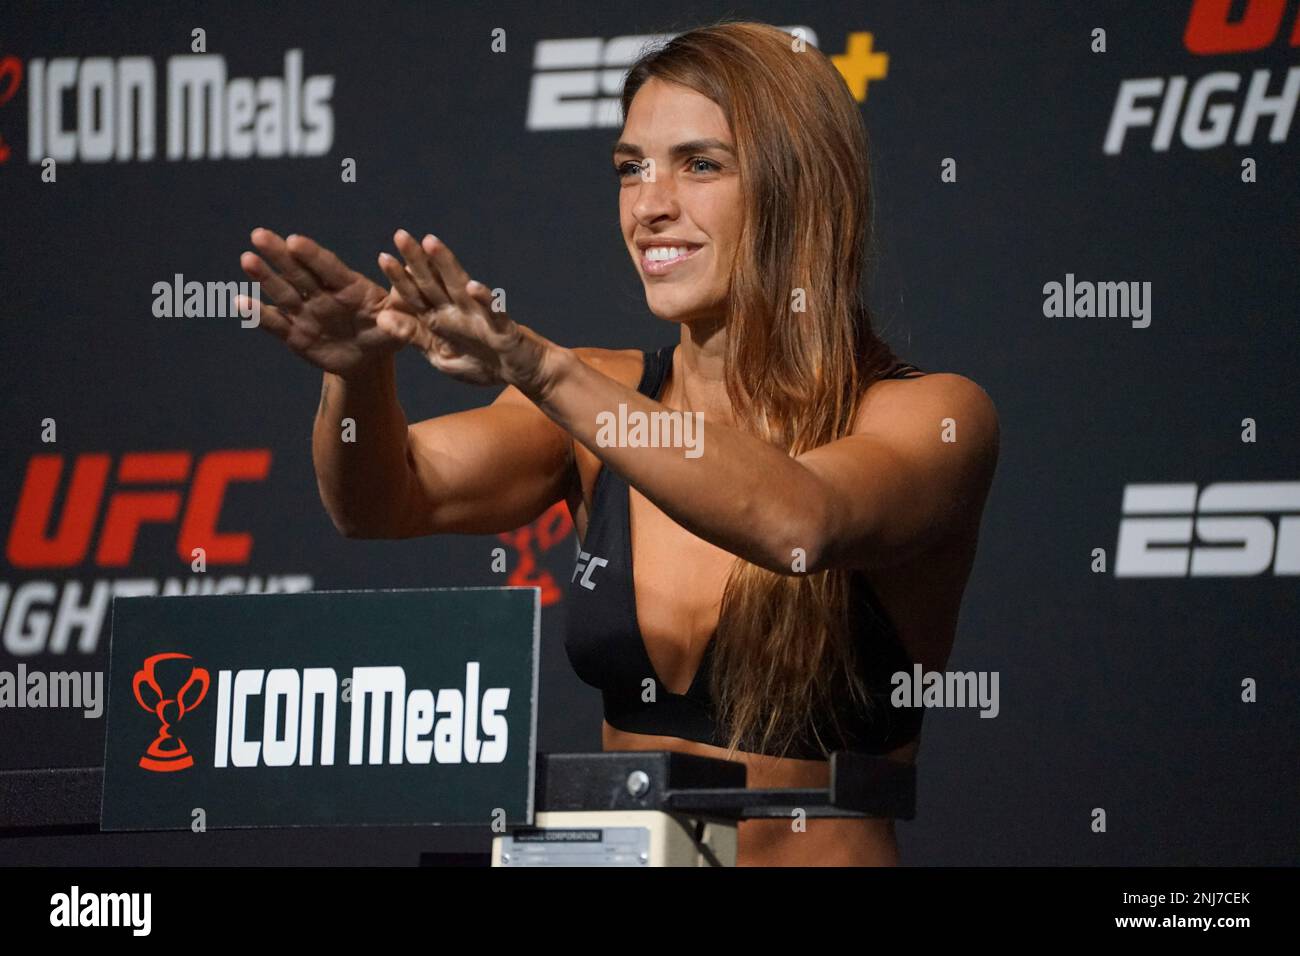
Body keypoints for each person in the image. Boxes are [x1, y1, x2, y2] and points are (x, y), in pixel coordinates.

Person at [236, 20, 999, 866]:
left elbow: (799, 520)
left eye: (699, 164)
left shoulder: (932, 416)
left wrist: (538, 366)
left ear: (799, 187)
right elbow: (383, 501)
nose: (649, 204)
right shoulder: (598, 398)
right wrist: (357, 374)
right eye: (630, 167)